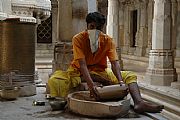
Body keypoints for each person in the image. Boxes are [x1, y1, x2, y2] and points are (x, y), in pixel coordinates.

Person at [48, 12, 164, 113]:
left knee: (129, 75)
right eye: (92, 26)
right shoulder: (78, 38)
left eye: (98, 28)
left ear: (102, 28)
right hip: (78, 72)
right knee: (56, 80)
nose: (94, 30)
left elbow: (114, 63)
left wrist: (120, 81)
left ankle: (139, 103)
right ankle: (84, 86)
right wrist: (91, 85)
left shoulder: (107, 40)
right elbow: (82, 64)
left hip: (100, 71)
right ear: (87, 26)